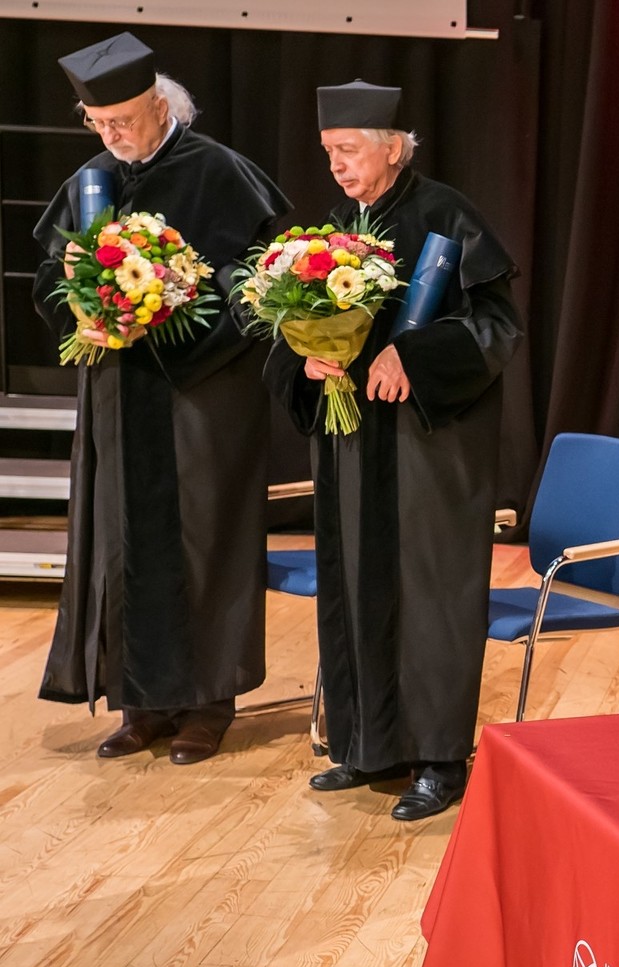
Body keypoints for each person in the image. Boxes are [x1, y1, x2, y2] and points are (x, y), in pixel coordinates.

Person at [264, 81, 522, 821]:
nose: (337, 166)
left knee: (430, 597)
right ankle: (366, 745)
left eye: (348, 150)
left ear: (392, 146)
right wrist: (306, 359)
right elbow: (287, 330)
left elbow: (496, 326)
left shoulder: (447, 214)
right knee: (354, 585)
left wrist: (415, 356)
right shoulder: (332, 230)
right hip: (352, 445)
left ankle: (439, 760)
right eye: (329, 152)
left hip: (426, 452)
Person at [32, 32, 290, 765]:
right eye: (97, 123)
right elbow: (48, 276)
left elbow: (259, 286)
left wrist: (169, 322)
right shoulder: (92, 179)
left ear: (159, 104)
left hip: (202, 396)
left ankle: (208, 704)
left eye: (121, 120)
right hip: (119, 394)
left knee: (204, 539)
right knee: (121, 541)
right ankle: (139, 702)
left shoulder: (221, 172)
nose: (110, 136)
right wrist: (82, 310)